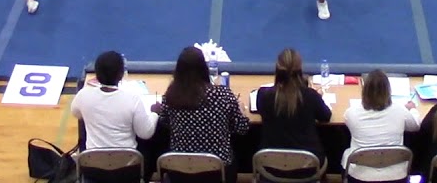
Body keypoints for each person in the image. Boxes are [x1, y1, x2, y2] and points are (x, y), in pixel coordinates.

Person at [153, 46, 251, 183]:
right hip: (218, 173)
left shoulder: (171, 97)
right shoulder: (223, 95)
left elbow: (164, 122)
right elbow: (242, 128)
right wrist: (241, 111)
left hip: (180, 173)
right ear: (203, 69)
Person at [256, 48, 332, 175]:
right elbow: (326, 116)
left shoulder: (264, 95)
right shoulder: (310, 96)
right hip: (307, 167)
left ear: (277, 69)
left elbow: (260, 110)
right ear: (300, 70)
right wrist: (317, 99)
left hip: (271, 167)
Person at [70, 50, 158, 153]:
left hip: (93, 162)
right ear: (121, 74)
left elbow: (75, 113)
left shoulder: (83, 95)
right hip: (127, 163)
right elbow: (145, 133)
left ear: (96, 74)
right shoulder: (133, 100)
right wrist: (154, 113)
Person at [341, 70, 420, 181]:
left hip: (361, 176)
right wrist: (412, 109)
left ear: (365, 90)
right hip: (395, 176)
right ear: (388, 90)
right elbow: (415, 126)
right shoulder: (400, 110)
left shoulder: (351, 113)